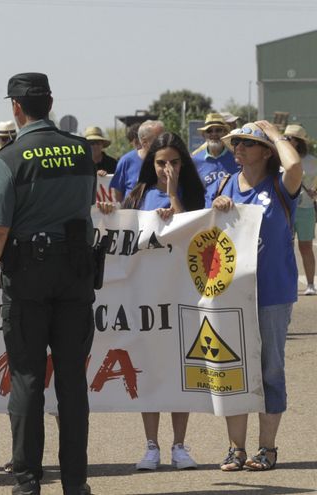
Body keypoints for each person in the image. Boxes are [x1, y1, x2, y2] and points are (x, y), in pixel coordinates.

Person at [0, 72, 95, 495]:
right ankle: (76, 483)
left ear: (16, 107)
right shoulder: (80, 152)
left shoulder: (10, 157)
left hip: (29, 277)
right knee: (72, 382)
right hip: (76, 274)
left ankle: (27, 482)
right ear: (50, 102)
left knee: (26, 379)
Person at [96, 133, 204, 472]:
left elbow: (195, 236)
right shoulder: (138, 194)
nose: (166, 168)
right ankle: (152, 445)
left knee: (178, 370)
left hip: (182, 295)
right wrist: (109, 212)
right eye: (160, 163)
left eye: (173, 162)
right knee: (149, 370)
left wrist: (174, 199)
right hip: (144, 299)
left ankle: (180, 445)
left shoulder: (193, 193)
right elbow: (122, 236)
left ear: (182, 163)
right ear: (150, 164)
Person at [211, 122, 302, 472]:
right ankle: (236, 448)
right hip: (231, 293)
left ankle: (267, 449)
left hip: (272, 293)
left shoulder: (280, 184)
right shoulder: (223, 184)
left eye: (248, 143)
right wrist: (217, 206)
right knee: (233, 370)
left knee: (270, 370)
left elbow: (294, 166)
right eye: (237, 143)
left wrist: (275, 133)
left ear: (266, 152)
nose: (239, 148)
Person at [284, 125, 317, 295]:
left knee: (306, 247)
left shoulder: (312, 160)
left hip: (306, 209)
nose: (285, 141)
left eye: (288, 138)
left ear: (298, 142)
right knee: (284, 247)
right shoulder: (280, 158)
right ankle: (287, 283)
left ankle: (310, 284)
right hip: (286, 209)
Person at [109, 120, 165, 202]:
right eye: (158, 138)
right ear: (144, 142)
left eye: (164, 137)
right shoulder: (126, 161)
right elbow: (117, 193)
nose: (164, 141)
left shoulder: (169, 161)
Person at [192, 113, 238, 189]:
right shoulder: (195, 161)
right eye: (209, 131)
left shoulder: (237, 159)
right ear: (203, 135)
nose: (214, 134)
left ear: (226, 133)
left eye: (218, 130)